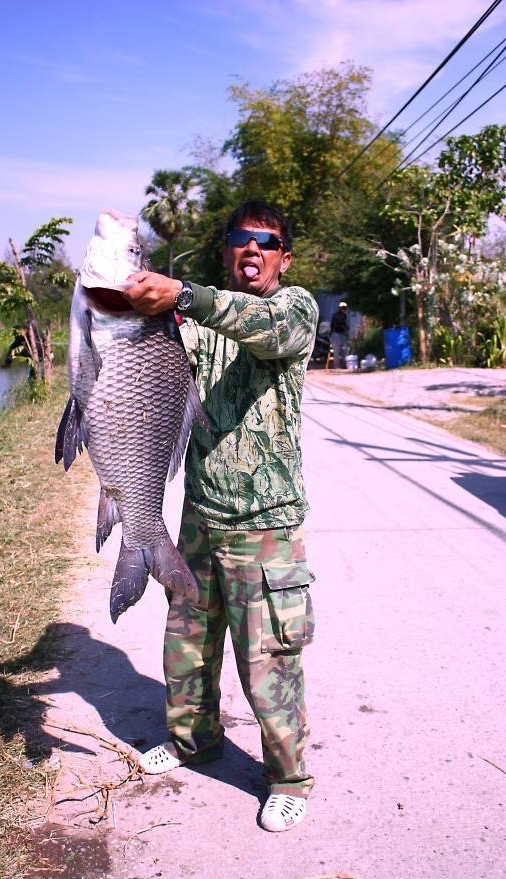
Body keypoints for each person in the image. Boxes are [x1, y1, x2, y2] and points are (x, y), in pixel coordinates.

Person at [122, 200, 318, 832]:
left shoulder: (295, 310)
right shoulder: (193, 322)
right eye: (241, 239)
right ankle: (192, 741)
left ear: (283, 258)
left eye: (268, 242)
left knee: (269, 664)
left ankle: (288, 776)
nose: (253, 249)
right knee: (187, 651)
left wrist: (184, 293)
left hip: (267, 528)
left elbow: (266, 330)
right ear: (227, 251)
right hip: (199, 519)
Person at [330, 300, 349, 368]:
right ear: (339, 308)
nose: (344, 309)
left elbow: (344, 324)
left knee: (345, 349)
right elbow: (334, 325)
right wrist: (342, 327)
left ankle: (346, 364)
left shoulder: (344, 316)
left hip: (342, 334)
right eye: (342, 308)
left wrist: (346, 327)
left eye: (345, 308)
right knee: (336, 351)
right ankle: (337, 366)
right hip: (336, 334)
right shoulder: (336, 316)